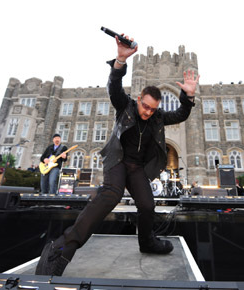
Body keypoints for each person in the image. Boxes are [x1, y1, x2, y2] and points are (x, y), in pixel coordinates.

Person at [35, 33, 200, 276]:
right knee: (110, 195)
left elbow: (182, 115)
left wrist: (188, 97)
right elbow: (114, 88)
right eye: (145, 106)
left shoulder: (157, 117)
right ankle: (62, 247)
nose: (147, 112)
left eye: (153, 109)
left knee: (147, 204)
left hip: (137, 168)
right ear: (139, 100)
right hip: (117, 160)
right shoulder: (126, 106)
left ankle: (147, 242)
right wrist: (120, 62)